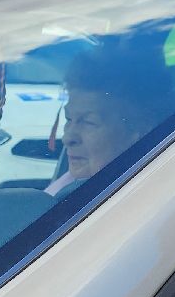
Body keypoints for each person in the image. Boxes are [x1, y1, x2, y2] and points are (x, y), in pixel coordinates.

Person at [45, 48, 164, 196]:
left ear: (139, 131)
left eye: (89, 122)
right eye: (69, 119)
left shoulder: (144, 201)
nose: (67, 138)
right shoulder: (68, 186)